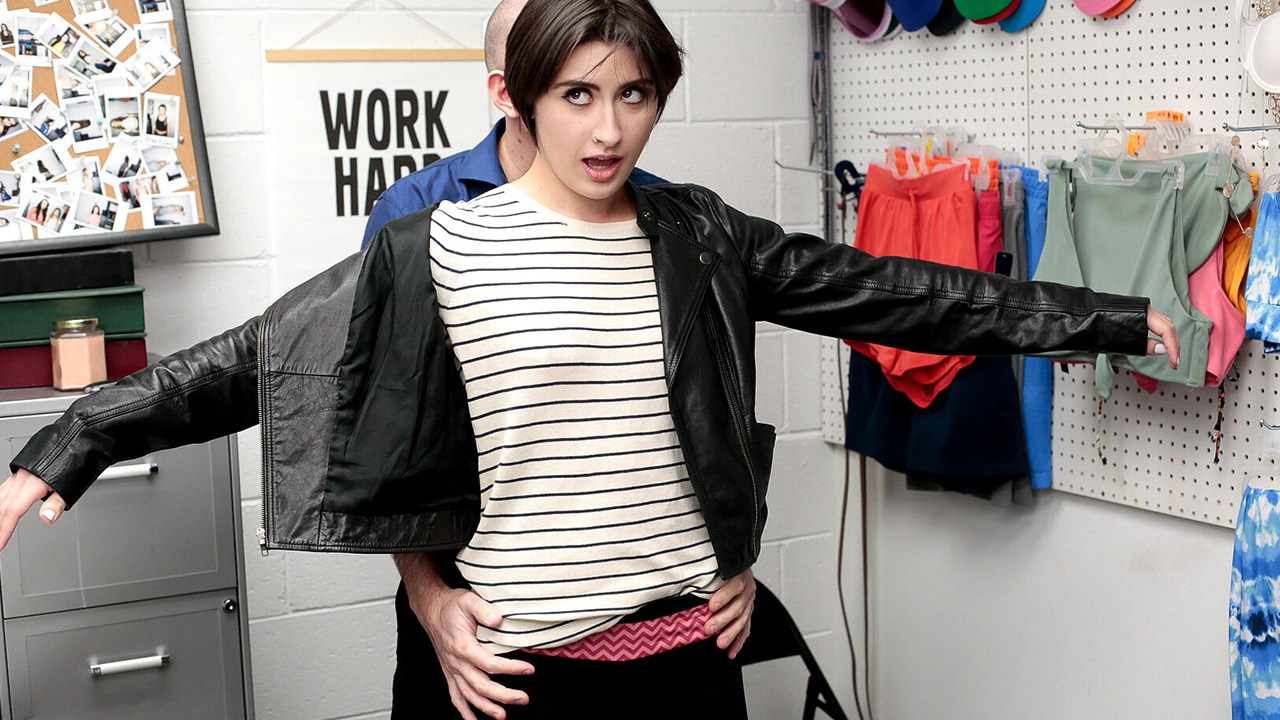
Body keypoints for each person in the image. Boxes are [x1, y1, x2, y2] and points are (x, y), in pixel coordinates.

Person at [0, 1, 1178, 718]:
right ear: (519, 98)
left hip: (688, 657)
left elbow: (895, 291)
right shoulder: (435, 244)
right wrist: (70, 440)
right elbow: (244, 361)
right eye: (576, 95)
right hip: (516, 680)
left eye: (632, 94)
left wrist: (1103, 318)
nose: (608, 128)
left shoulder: (702, 235)